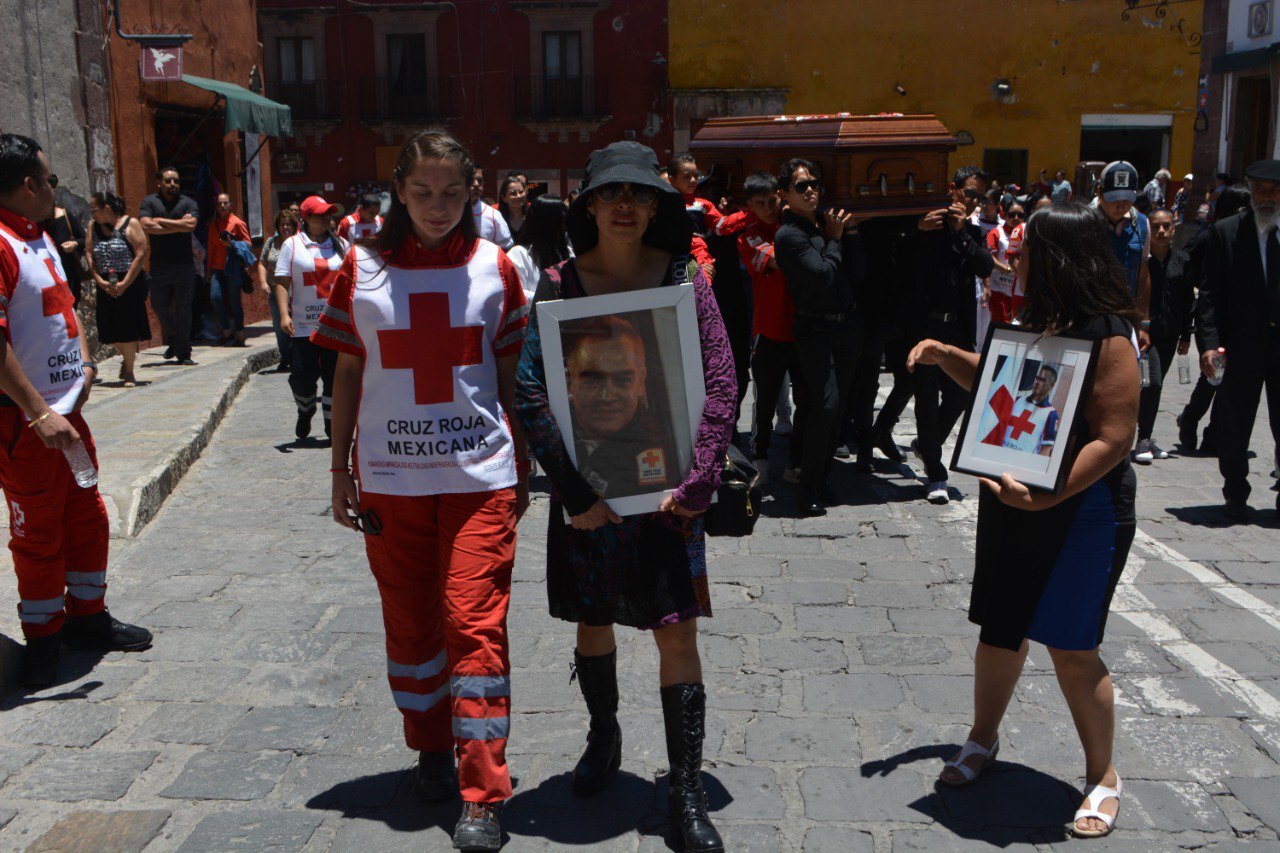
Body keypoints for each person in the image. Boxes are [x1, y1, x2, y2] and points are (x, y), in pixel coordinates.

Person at [515, 140, 735, 853]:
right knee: (593, 619)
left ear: (656, 206)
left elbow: (721, 380)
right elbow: (529, 387)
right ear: (586, 206)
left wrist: (699, 479)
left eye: (638, 195)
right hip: (587, 496)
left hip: (670, 495)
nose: (624, 206)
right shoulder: (559, 285)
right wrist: (574, 490)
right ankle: (603, 734)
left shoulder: (683, 280)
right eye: (610, 194)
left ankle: (686, 785)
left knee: (677, 630)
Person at [314, 130, 529, 851]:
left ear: (472, 191)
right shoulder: (360, 269)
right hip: (390, 482)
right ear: (398, 193)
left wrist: (522, 464)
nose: (437, 206)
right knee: (411, 626)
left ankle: (481, 792)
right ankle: (431, 747)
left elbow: (508, 378)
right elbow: (348, 372)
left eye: (451, 191)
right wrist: (339, 468)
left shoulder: (498, 269)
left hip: (480, 480)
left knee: (472, 624)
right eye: (422, 192)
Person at [908, 201, 1141, 840]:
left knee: (1071, 646)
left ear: (1059, 256)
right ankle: (982, 739)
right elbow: (1001, 383)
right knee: (1000, 630)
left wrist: (1047, 498)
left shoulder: (1110, 334)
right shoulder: (1040, 318)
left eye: (1026, 247)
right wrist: (945, 354)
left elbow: (1114, 437)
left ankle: (1103, 776)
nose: (1012, 255)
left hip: (1082, 509)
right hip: (1014, 499)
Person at [0, 133, 152, 687]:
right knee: (38, 532)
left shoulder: (40, 236)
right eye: (47, 180)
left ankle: (86, 619)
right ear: (26, 185)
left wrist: (86, 365)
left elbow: (62, 308)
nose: (53, 189)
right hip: (28, 424)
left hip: (68, 416)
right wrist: (40, 413)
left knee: (86, 519)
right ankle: (43, 638)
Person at [774, 158, 865, 516]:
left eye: (814, 183)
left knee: (838, 409)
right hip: (814, 329)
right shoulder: (790, 235)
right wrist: (837, 239)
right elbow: (824, 275)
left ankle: (822, 478)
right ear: (785, 194)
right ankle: (806, 486)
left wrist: (851, 234)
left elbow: (857, 273)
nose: (811, 190)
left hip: (846, 326)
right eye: (801, 186)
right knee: (823, 405)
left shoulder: (825, 226)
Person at [1195, 159, 1280, 522]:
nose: (1264, 197)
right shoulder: (1227, 233)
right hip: (1241, 347)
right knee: (1234, 426)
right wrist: (1209, 344)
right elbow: (1210, 294)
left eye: (1272, 190)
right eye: (1258, 189)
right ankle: (1235, 493)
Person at [910, 165, 995, 504]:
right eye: (970, 193)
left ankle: (926, 446)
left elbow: (984, 266)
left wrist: (961, 232)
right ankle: (935, 473)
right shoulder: (927, 224)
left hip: (958, 327)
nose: (974, 201)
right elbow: (910, 266)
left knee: (961, 396)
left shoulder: (970, 232)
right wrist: (919, 232)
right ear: (954, 189)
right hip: (925, 326)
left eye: (980, 196)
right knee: (927, 402)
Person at [738, 172, 808, 485]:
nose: (768, 208)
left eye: (772, 200)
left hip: (802, 328)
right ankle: (761, 458)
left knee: (805, 402)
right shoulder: (748, 235)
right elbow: (781, 260)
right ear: (749, 206)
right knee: (764, 403)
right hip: (769, 331)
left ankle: (796, 462)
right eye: (760, 203)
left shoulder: (793, 223)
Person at [564, 317, 679, 499]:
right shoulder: (555, 437)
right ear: (570, 381)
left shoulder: (664, 452)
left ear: (641, 381)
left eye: (622, 380)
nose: (607, 396)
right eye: (593, 380)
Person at [1177, 183, 1252, 453]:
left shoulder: (1248, 236)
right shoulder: (1211, 235)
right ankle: (1190, 419)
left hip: (1243, 321)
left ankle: (1213, 436)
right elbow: (1184, 261)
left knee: (1229, 384)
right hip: (1216, 319)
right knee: (1213, 377)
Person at [274, 195, 348, 440]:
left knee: (334, 379)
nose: (328, 218)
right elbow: (283, 281)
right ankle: (305, 410)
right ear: (306, 218)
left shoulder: (342, 246)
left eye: (329, 213)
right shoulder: (292, 245)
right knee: (302, 379)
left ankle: (331, 425)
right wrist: (284, 315)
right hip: (304, 328)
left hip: (336, 327)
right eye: (321, 214)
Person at [1134, 208, 1192, 464]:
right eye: (1155, 226)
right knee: (1150, 382)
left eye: (1165, 226)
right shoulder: (1140, 261)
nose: (1160, 231)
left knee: (1154, 387)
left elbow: (1188, 300)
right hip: (1146, 336)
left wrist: (1187, 335)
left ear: (1173, 229)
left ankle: (1145, 437)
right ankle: (1142, 439)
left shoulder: (1183, 260)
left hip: (1171, 334)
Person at [86, 192, 151, 387]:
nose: (92, 214)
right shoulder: (93, 227)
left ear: (106, 208)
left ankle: (129, 372)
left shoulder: (131, 224)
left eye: (94, 209)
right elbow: (89, 252)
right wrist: (97, 278)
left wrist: (125, 284)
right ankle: (127, 356)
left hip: (130, 282)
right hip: (106, 282)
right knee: (108, 329)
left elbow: (141, 254)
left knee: (128, 327)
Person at [139, 166, 198, 364]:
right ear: (159, 183)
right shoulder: (150, 201)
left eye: (176, 181)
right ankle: (173, 337)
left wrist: (161, 222)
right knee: (158, 305)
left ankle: (183, 352)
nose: (173, 184)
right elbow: (146, 225)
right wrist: (178, 226)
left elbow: (190, 226)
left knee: (183, 309)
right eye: (168, 180)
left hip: (184, 265)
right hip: (159, 265)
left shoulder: (188, 202)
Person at [1096, 162, 1152, 354]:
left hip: (1125, 319)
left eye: (1127, 199)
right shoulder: (1082, 221)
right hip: (1090, 317)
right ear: (1099, 192)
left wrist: (1143, 323)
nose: (1121, 206)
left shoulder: (1142, 224)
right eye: (1114, 199)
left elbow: (1142, 275)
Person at [981, 364, 1059, 455]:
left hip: (1020, 464)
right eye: (1037, 378)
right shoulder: (1017, 400)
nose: (1037, 382)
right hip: (998, 453)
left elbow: (1045, 449)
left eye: (1042, 380)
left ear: (1051, 385)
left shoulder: (1051, 414)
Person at [206, 193, 252, 347]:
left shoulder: (237, 223)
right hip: (217, 268)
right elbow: (211, 247)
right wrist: (208, 269)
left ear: (231, 205)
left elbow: (248, 244)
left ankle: (239, 333)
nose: (222, 206)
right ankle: (226, 330)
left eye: (225, 203)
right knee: (215, 297)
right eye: (220, 204)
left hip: (232, 267)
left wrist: (232, 244)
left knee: (234, 301)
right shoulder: (214, 224)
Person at [256, 209, 298, 373]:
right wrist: (262, 281)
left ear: (294, 226)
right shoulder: (271, 243)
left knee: (296, 325)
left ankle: (297, 357)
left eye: (288, 224)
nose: (285, 227)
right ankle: (285, 357)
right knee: (279, 327)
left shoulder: (298, 242)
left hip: (297, 292)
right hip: (276, 291)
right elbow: (262, 263)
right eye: (282, 224)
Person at [507, 194, 571, 298]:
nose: (565, 225)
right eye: (561, 218)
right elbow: (517, 293)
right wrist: (550, 298)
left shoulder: (570, 253)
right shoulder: (519, 255)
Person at [985, 201, 1026, 324]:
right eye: (1012, 214)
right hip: (999, 289)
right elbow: (989, 258)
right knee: (1001, 324)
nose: (1016, 218)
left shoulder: (1027, 234)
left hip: (1018, 291)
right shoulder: (996, 233)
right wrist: (1008, 269)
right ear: (1004, 215)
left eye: (1020, 215)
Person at [43, 199, 87, 308]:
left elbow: (85, 239)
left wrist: (75, 244)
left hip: (69, 275)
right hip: (47, 277)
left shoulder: (65, 215)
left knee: (71, 309)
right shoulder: (35, 221)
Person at [469, 165, 513, 249]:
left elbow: (506, 248)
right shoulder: (449, 212)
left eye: (480, 180)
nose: (476, 184)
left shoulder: (493, 215)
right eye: (471, 180)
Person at [498, 174, 528, 240]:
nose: (518, 196)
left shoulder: (532, 217)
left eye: (521, 192)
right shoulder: (498, 219)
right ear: (504, 198)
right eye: (513, 193)